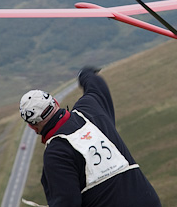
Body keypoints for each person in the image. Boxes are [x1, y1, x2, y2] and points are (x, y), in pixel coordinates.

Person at [19, 67, 162, 207]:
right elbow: (96, 84)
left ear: (32, 126)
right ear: (56, 102)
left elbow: (68, 202)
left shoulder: (55, 153)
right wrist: (85, 74)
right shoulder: (90, 108)